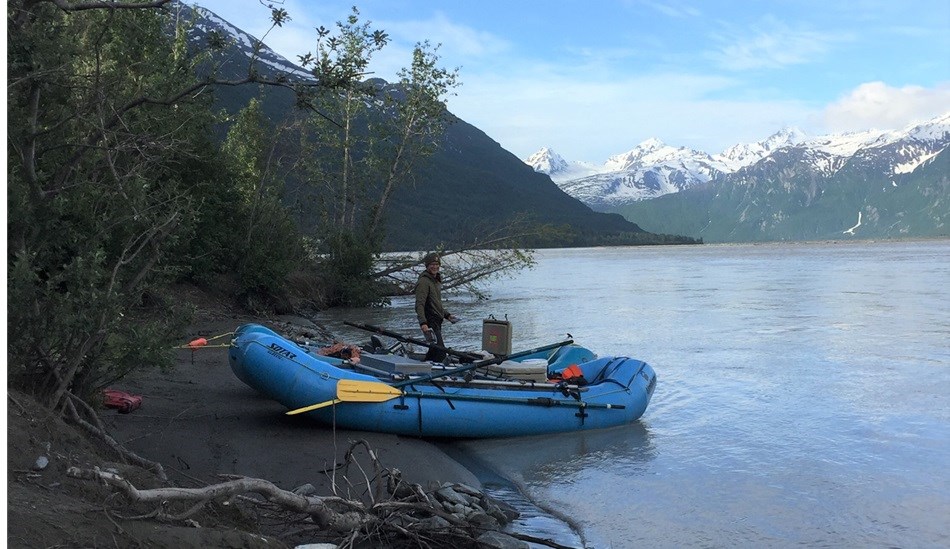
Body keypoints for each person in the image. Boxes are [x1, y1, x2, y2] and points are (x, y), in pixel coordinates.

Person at [414, 253, 457, 362]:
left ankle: (422, 367)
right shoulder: (424, 282)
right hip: (430, 321)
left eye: (437, 264)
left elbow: (436, 303)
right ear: (427, 266)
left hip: (437, 321)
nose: (435, 267)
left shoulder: (435, 281)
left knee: (434, 349)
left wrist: (447, 315)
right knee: (440, 350)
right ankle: (436, 373)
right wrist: (423, 323)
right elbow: (419, 304)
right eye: (432, 264)